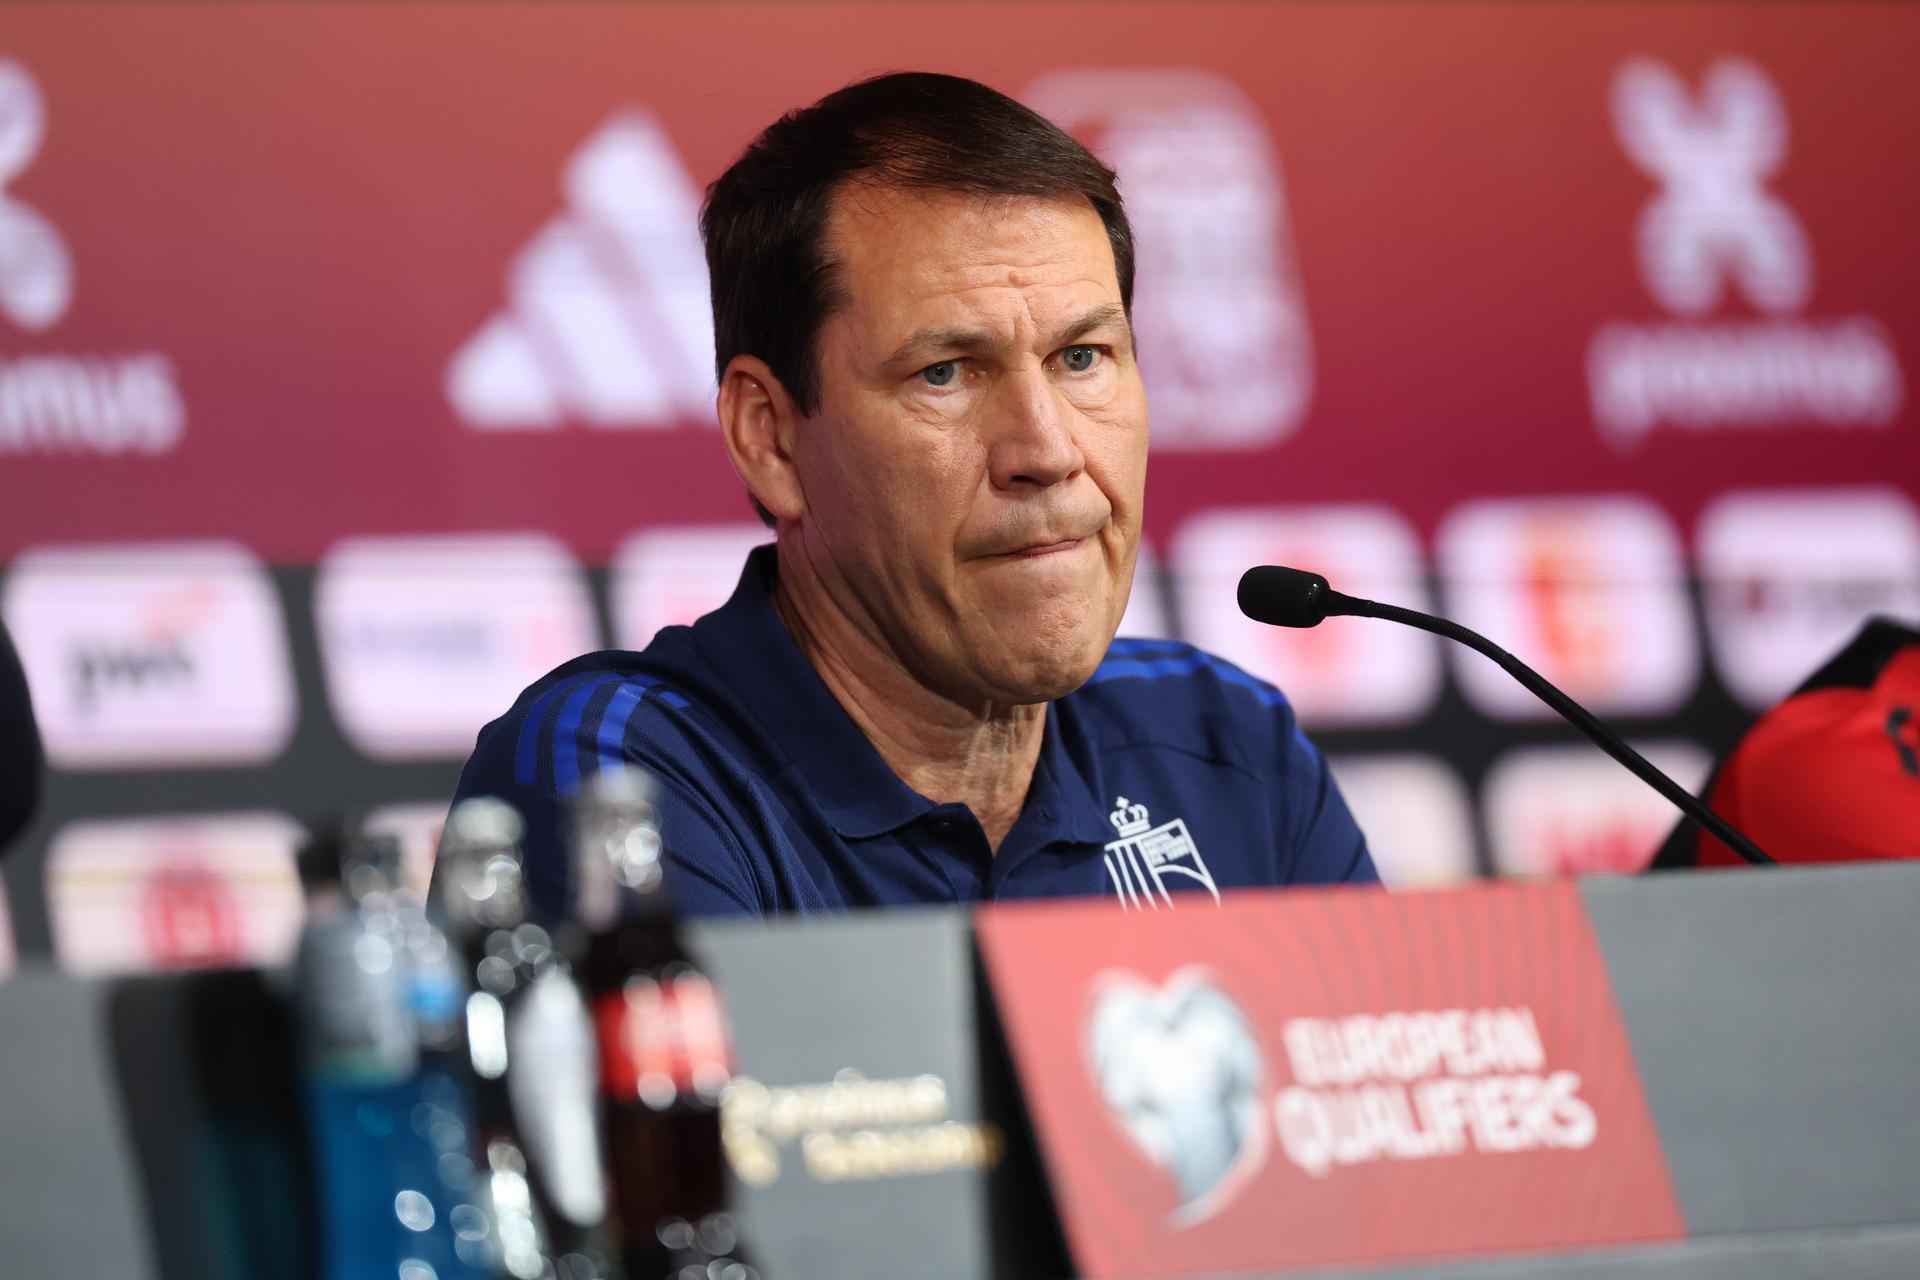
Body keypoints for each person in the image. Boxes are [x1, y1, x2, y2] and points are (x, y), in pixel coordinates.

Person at [450, 72, 1376, 918]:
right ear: (770, 436)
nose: (1047, 451)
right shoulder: (625, 783)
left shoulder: (1226, 750)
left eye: (1082, 357)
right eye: (945, 372)